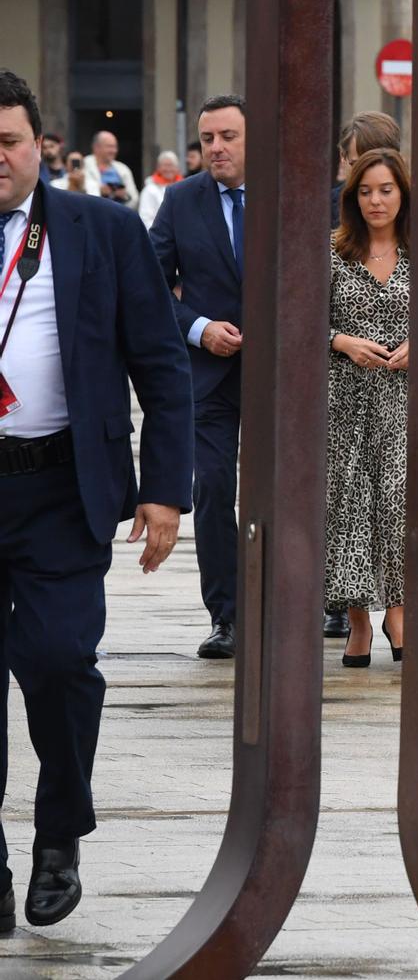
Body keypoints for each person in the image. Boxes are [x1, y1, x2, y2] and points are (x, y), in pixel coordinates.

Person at [0, 70, 190, 928]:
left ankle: (57, 834)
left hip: (61, 490)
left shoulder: (103, 231)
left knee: (59, 663)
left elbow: (161, 361)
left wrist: (164, 492)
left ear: (39, 146)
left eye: (7, 142)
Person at [148, 95, 250, 660]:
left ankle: (305, 604)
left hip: (280, 376)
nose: (216, 147)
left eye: (228, 136)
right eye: (208, 138)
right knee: (212, 490)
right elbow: (151, 285)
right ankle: (227, 617)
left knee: (287, 493)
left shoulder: (290, 194)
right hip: (208, 374)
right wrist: (199, 327)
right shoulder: (181, 200)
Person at [324, 148, 413, 668]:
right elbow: (294, 320)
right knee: (350, 507)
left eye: (385, 189)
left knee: (399, 506)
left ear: (402, 193)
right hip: (343, 401)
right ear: (352, 197)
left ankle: (399, 611)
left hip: (405, 400)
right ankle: (359, 618)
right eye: (365, 191)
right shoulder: (332, 251)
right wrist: (341, 341)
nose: (376, 200)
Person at [332, 111, 402, 228]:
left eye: (377, 164)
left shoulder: (417, 211)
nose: (369, 175)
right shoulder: (322, 210)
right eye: (358, 164)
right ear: (343, 157)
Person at [81, 133, 135, 209]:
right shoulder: (84, 165)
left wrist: (124, 195)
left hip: (118, 214)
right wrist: (100, 191)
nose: (114, 150)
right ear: (96, 147)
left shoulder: (123, 169)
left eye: (115, 147)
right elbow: (79, 192)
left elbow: (135, 198)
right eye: (110, 147)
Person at [137, 151, 181, 228]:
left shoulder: (185, 187)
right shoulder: (149, 190)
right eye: (165, 165)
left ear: (177, 168)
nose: (168, 169)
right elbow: (145, 218)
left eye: (171, 165)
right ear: (158, 168)